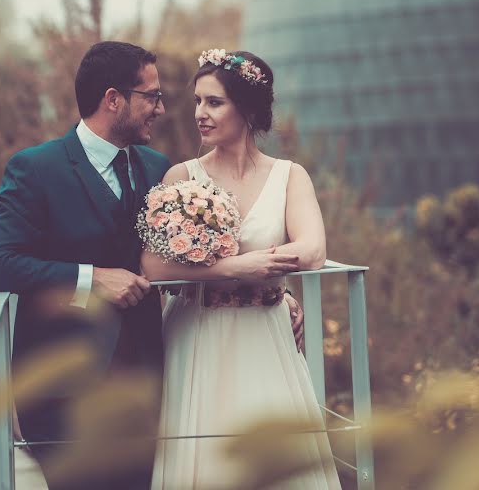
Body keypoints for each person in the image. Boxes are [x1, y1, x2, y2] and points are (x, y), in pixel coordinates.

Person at [0, 41, 306, 490]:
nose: (161, 108)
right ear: (113, 99)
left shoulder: (160, 170)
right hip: (64, 397)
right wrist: (91, 279)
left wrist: (274, 292)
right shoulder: (35, 170)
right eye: (151, 96)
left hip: (152, 388)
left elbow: (200, 255)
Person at [145, 49, 342, 489]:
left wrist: (269, 279)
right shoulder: (182, 176)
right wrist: (237, 266)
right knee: (207, 457)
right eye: (198, 101)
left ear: (248, 109)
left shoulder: (290, 176)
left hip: (266, 332)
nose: (200, 113)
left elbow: (311, 251)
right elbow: (154, 265)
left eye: (214, 102)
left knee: (275, 462)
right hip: (198, 333)